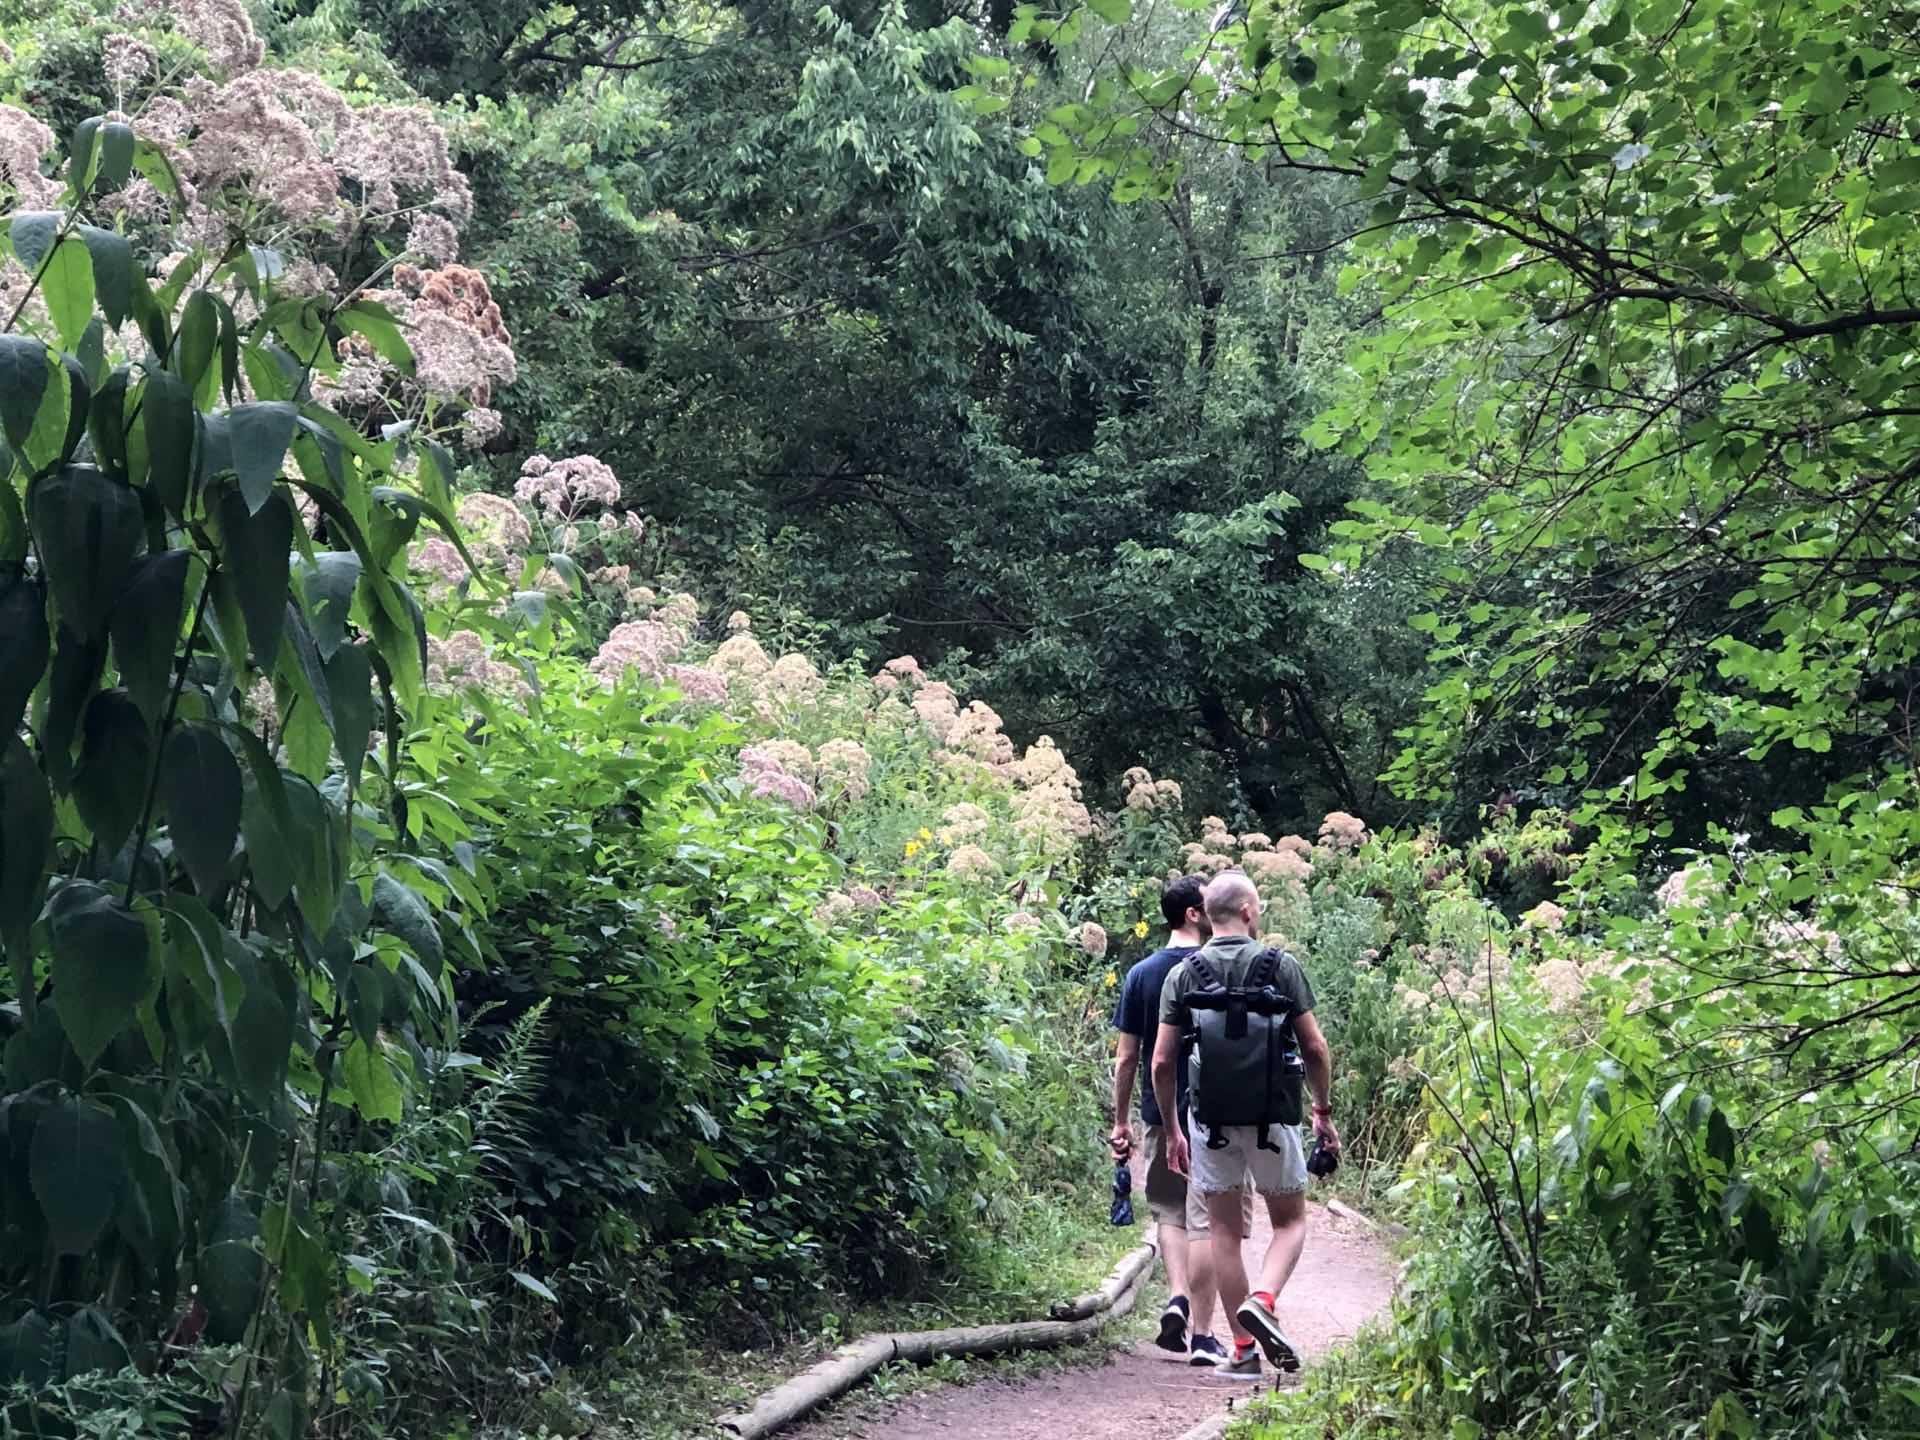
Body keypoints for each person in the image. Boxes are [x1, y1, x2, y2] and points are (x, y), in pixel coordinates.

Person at [1150, 870, 1339, 1377]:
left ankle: (1241, 1349)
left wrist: (1172, 1131)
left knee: (1223, 1232)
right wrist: (1321, 1111)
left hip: (1209, 1121)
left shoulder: (1183, 974)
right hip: (1273, 1116)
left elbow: (1162, 1064)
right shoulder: (1281, 966)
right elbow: (1315, 1048)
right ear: (1250, 913)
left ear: (1208, 915)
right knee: (1291, 1222)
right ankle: (1265, 1297)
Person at [1108, 876, 1254, 1372]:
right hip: (1218, 1115)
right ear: (1195, 914)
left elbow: (1128, 1058)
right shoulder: (1217, 967)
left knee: (1168, 1211)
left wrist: (1121, 1119)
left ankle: (1176, 1295)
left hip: (1159, 1110)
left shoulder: (1142, 974)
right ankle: (1202, 1334)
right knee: (1208, 1223)